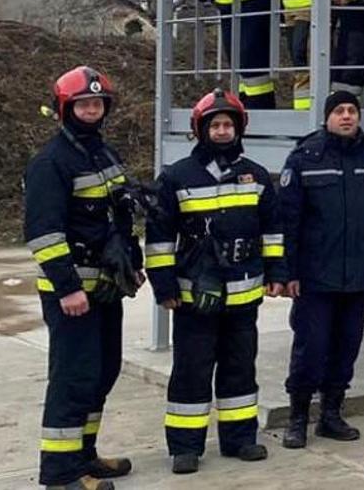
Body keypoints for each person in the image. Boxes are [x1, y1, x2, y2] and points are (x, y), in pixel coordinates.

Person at [147, 90, 284, 474]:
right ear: (200, 129)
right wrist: (165, 287)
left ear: (239, 128)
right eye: (216, 125)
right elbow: (159, 238)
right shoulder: (176, 177)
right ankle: (185, 447)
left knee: (240, 367)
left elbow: (273, 231)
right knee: (192, 369)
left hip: (244, 294)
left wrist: (277, 274)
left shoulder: (255, 175)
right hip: (194, 297)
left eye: (229, 125)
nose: (223, 131)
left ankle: (240, 439)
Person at [25, 66, 141, 490]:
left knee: (102, 372)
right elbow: (44, 235)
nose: (91, 110)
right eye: (83, 104)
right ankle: (60, 474)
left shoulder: (104, 153)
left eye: (97, 104)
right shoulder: (51, 162)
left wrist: (134, 259)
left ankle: (84, 456)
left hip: (106, 288)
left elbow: (121, 214)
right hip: (74, 293)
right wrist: (68, 288)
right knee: (73, 378)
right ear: (65, 108)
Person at [275, 91, 364, 448]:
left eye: (352, 111)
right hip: (316, 276)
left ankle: (331, 414)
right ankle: (298, 417)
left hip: (361, 276)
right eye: (339, 111)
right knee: (311, 349)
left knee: (346, 348)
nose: (346, 117)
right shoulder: (304, 159)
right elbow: (289, 221)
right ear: (327, 117)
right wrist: (289, 273)